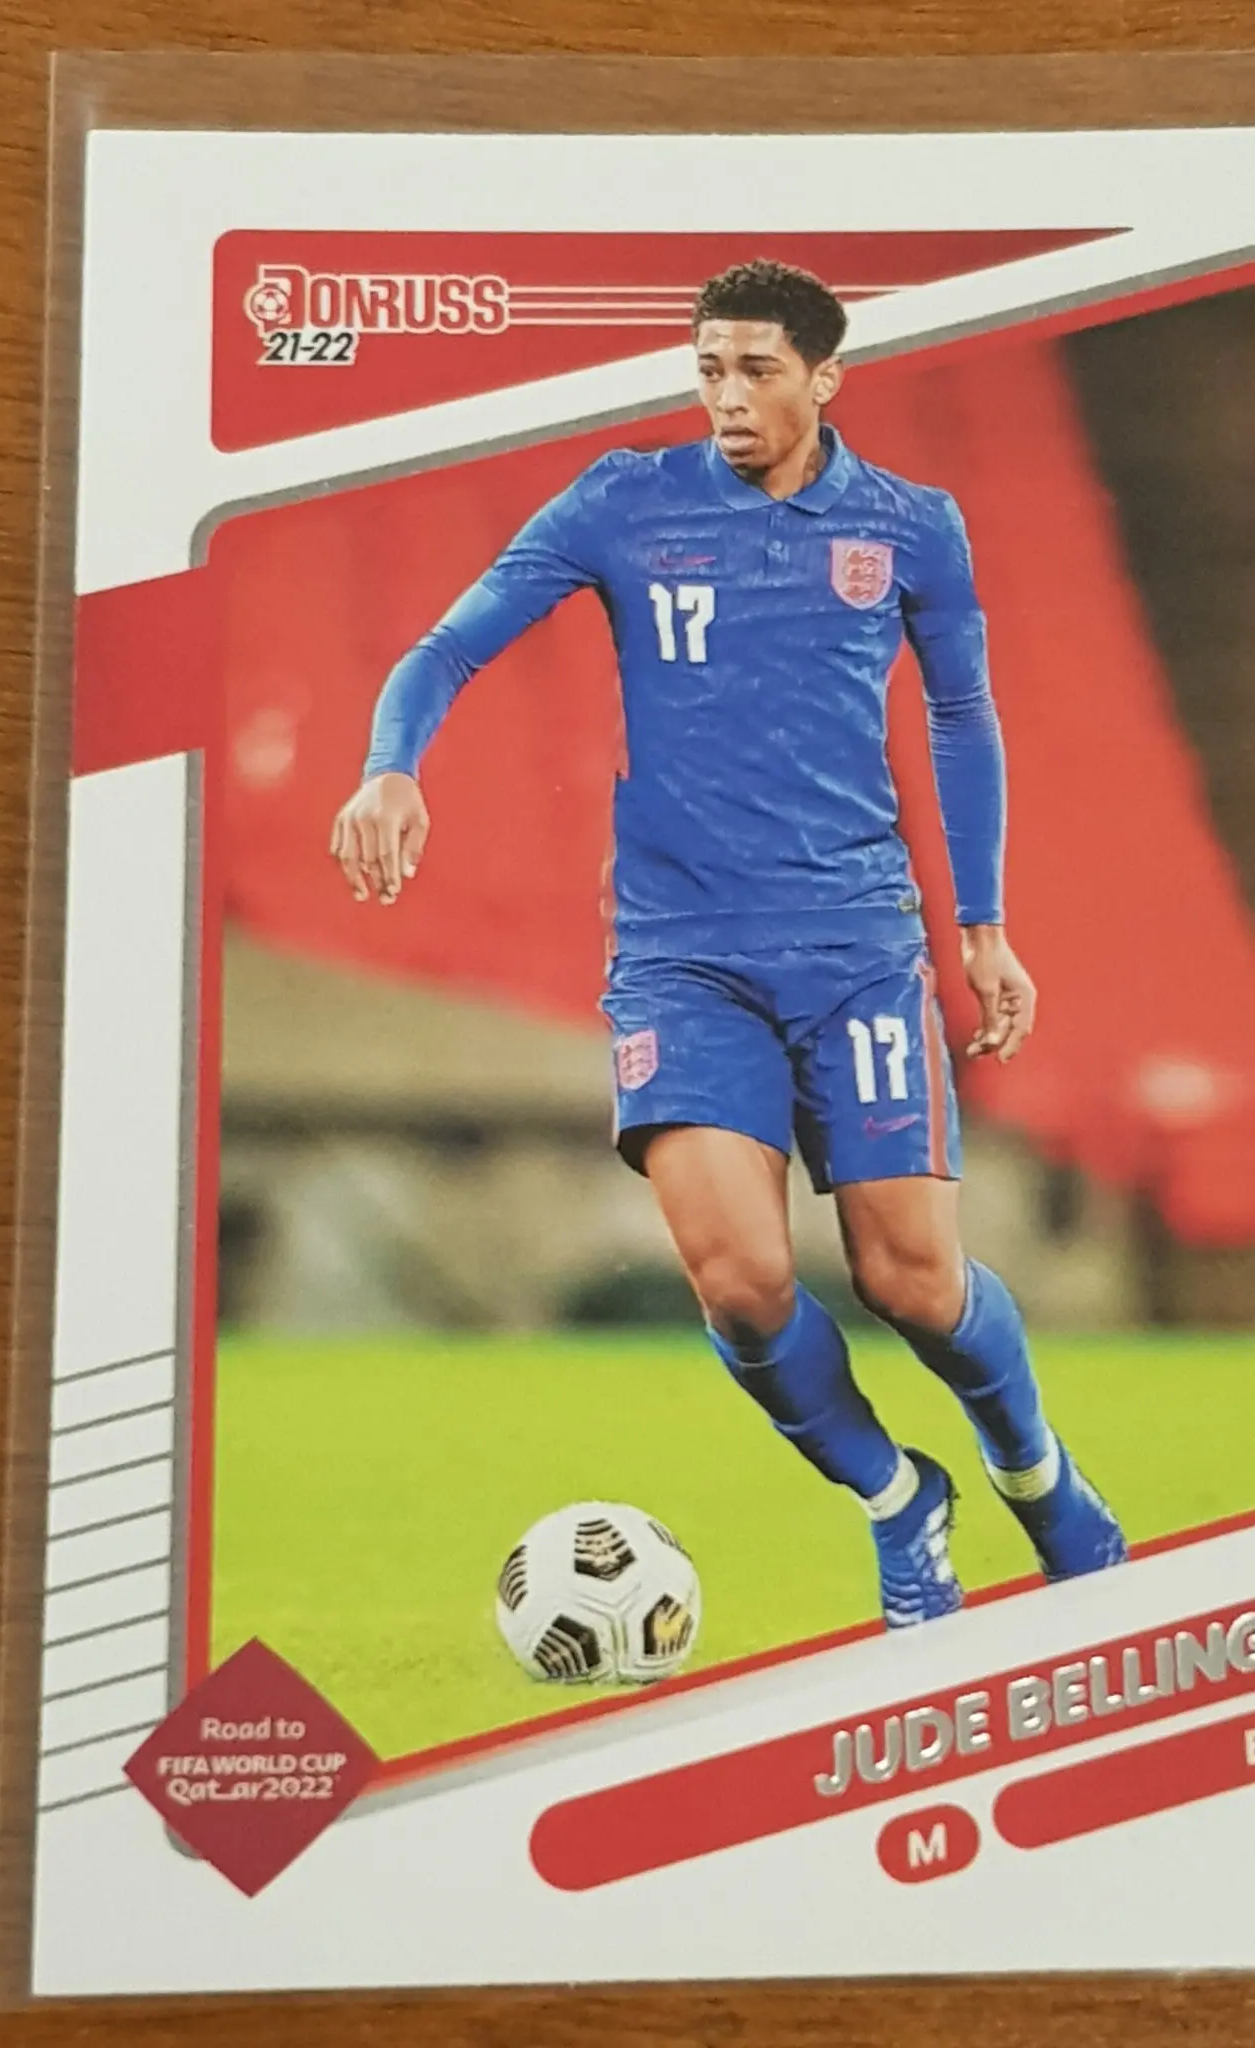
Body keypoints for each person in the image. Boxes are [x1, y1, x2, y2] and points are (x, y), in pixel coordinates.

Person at [330, 258, 1126, 1629]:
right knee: (745, 1286)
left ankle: (1037, 1475)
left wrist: (982, 928)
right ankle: (899, 1502)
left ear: (824, 377)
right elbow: (443, 650)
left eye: (757, 369)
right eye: (710, 369)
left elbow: (961, 718)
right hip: (680, 959)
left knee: (911, 1280)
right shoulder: (623, 503)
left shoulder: (910, 526)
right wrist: (389, 765)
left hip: (857, 948)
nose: (728, 396)